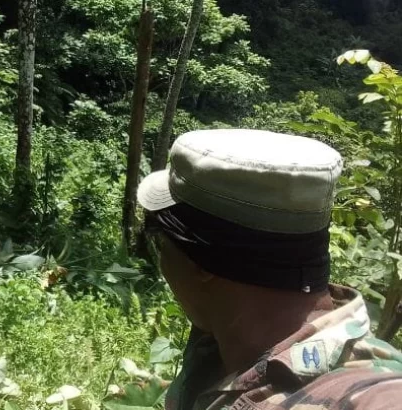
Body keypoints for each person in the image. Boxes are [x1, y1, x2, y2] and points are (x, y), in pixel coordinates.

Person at [136, 129, 402, 410]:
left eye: (161, 246)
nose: (164, 268)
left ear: (198, 260)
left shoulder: (372, 395)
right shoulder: (220, 348)